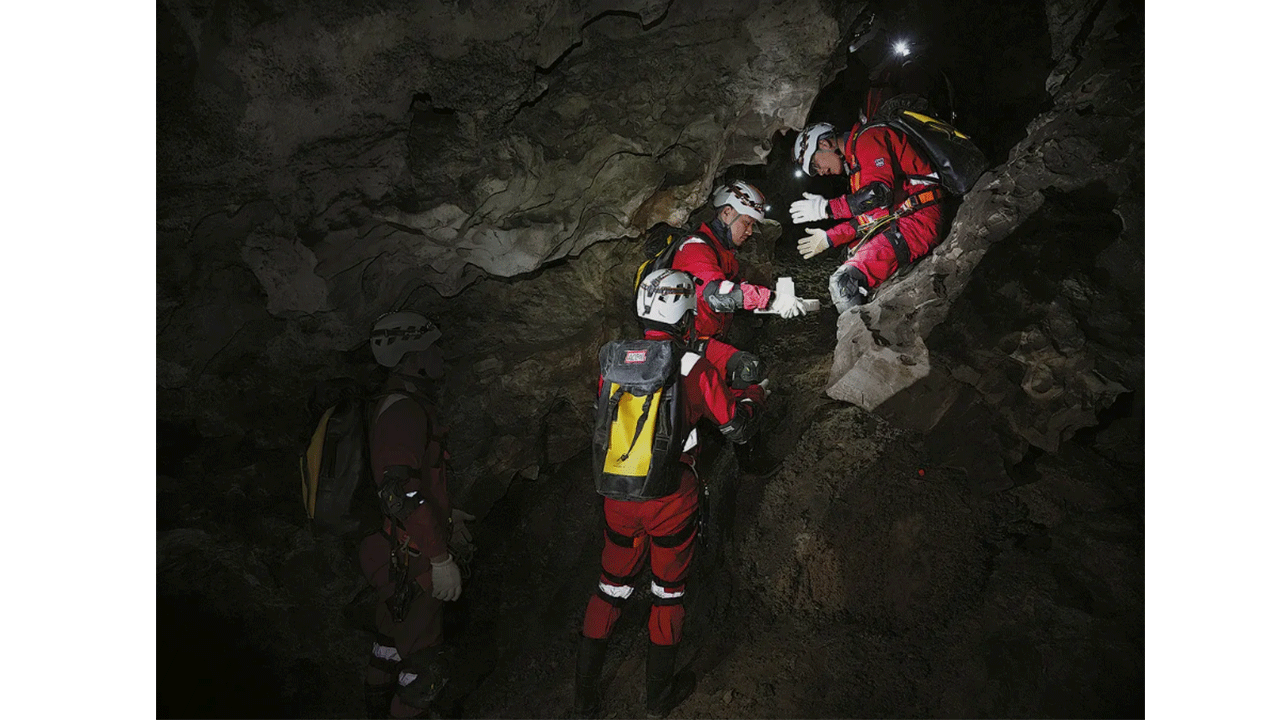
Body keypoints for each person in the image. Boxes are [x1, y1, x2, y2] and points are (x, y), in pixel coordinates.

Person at [573, 269, 766, 719]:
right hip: (670, 501)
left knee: (609, 587)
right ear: (683, 314)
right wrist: (753, 396)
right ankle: (658, 700)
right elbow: (735, 427)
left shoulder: (612, 362)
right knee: (668, 592)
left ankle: (583, 701)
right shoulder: (692, 367)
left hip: (618, 497)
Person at [358, 311, 476, 719]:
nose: (440, 354)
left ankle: (376, 708)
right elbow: (400, 491)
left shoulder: (396, 404)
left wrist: (445, 513)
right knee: (425, 665)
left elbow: (413, 484)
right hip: (411, 558)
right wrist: (440, 558)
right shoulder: (403, 412)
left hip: (390, 547)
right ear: (412, 358)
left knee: (390, 641)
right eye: (433, 346)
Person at [789, 90, 947, 313]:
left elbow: (878, 194)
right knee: (852, 256)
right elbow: (870, 216)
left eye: (815, 164)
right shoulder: (857, 166)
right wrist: (829, 237)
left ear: (825, 144)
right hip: (906, 219)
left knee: (844, 283)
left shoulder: (868, 139)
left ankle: (855, 345)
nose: (821, 172)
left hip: (918, 221)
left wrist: (826, 209)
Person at [670, 180, 808, 389]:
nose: (750, 231)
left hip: (706, 339)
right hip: (684, 344)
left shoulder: (723, 253)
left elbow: (736, 288)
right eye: (746, 222)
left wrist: (772, 301)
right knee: (746, 367)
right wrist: (771, 298)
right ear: (727, 213)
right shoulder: (695, 249)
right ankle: (734, 418)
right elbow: (717, 294)